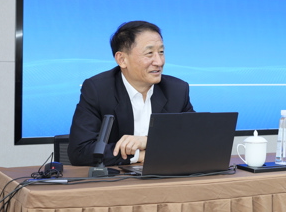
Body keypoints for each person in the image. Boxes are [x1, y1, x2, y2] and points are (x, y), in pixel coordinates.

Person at [68, 21, 194, 166]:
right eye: (149, 53)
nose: (159, 62)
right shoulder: (98, 90)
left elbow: (196, 140)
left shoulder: (176, 90)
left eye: (161, 52)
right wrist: (139, 155)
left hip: (166, 176)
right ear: (122, 60)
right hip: (118, 178)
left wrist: (147, 141)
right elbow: (80, 151)